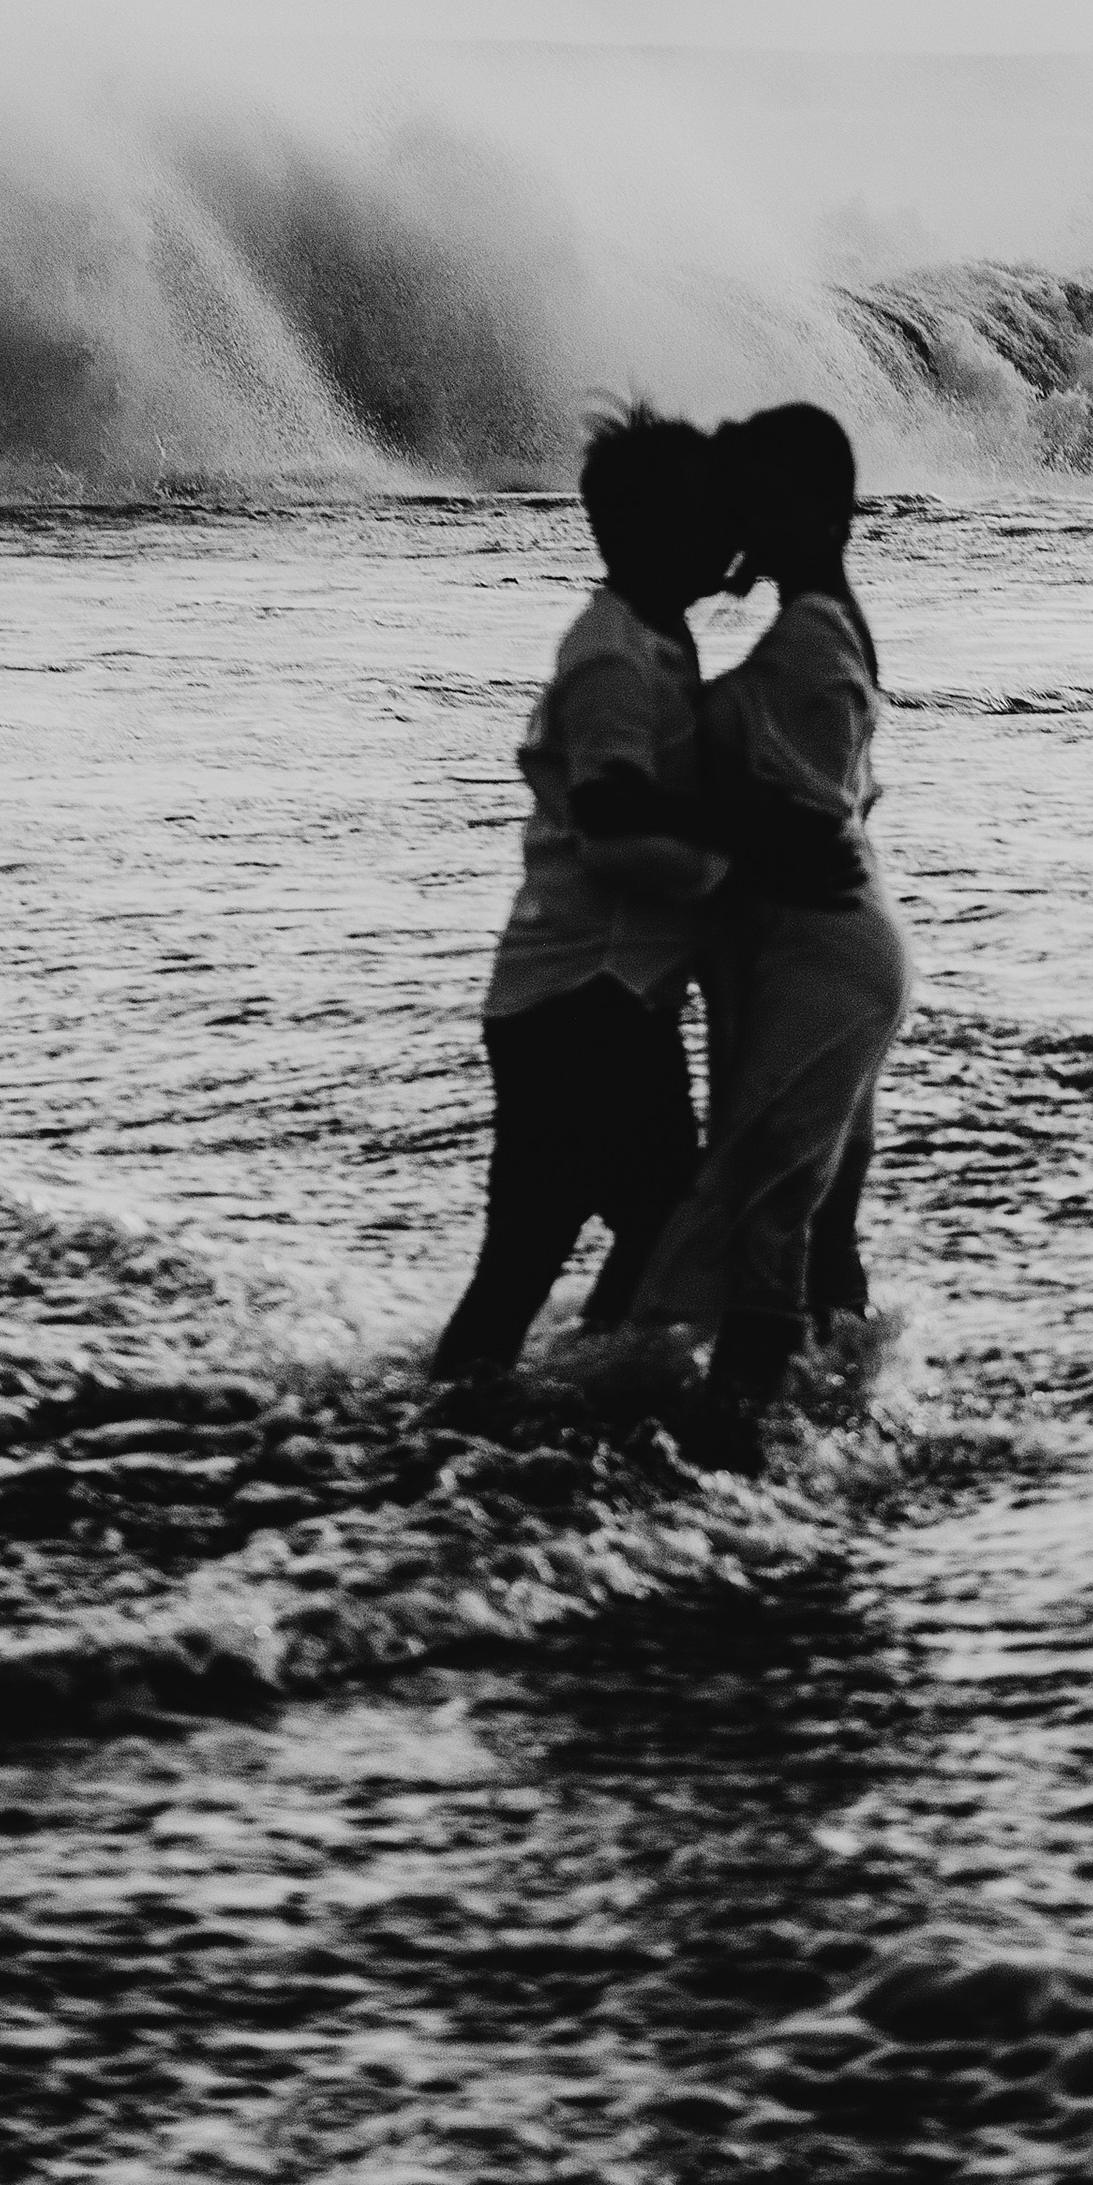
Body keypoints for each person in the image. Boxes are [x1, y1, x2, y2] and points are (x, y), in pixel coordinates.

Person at [429, 407, 736, 1380]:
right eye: (705, 515)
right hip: (582, 1004)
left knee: (569, 1239)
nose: (726, 531)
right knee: (642, 1226)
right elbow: (609, 829)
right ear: (646, 534)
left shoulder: (655, 633)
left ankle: (521, 1389)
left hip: (584, 998)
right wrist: (725, 872)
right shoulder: (613, 656)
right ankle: (546, 1394)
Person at [630, 401, 911, 1453]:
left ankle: (745, 1432)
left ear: (818, 510)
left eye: (755, 498)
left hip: (819, 946)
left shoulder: (805, 637)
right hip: (835, 939)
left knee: (770, 1196)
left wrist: (631, 794)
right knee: (818, 1197)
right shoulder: (825, 615)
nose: (737, 517)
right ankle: (844, 1402)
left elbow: (785, 818)